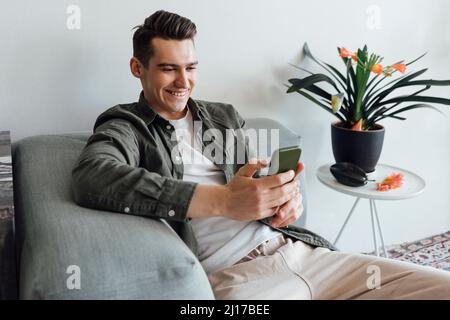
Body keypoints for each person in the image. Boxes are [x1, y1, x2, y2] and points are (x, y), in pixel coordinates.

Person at [72, 10, 450, 300]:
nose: (183, 82)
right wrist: (222, 201)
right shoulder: (127, 124)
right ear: (138, 68)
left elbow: (254, 189)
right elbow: (93, 175)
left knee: (438, 286)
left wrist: (282, 202)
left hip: (301, 252)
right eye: (168, 69)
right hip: (237, 280)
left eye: (190, 68)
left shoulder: (223, 116)